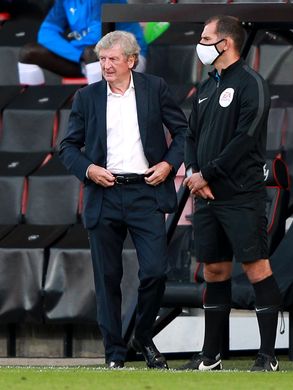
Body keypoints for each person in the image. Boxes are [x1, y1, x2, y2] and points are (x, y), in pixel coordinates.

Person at [59, 30, 187, 369]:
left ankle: (143, 335)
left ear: (131, 60)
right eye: (102, 59)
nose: (106, 65)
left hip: (146, 191)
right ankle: (114, 354)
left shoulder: (154, 88)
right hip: (104, 192)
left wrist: (169, 164)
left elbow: (183, 132)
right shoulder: (87, 97)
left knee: (156, 271)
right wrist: (89, 170)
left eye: (113, 59)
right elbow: (68, 147)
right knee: (107, 279)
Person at [181, 15, 282, 372]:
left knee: (256, 268)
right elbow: (189, 135)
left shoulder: (251, 83)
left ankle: (267, 356)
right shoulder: (207, 86)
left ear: (225, 43)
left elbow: (246, 138)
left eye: (206, 37)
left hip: (241, 195)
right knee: (215, 271)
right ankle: (211, 356)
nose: (200, 44)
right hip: (206, 197)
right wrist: (194, 173)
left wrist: (208, 172)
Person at [17, 0, 148, 85]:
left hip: (129, 58)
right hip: (87, 58)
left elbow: (99, 37)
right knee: (28, 54)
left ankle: (100, 108)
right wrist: (76, 55)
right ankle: (38, 109)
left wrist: (74, 50)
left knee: (93, 52)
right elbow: (46, 34)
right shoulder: (64, 2)